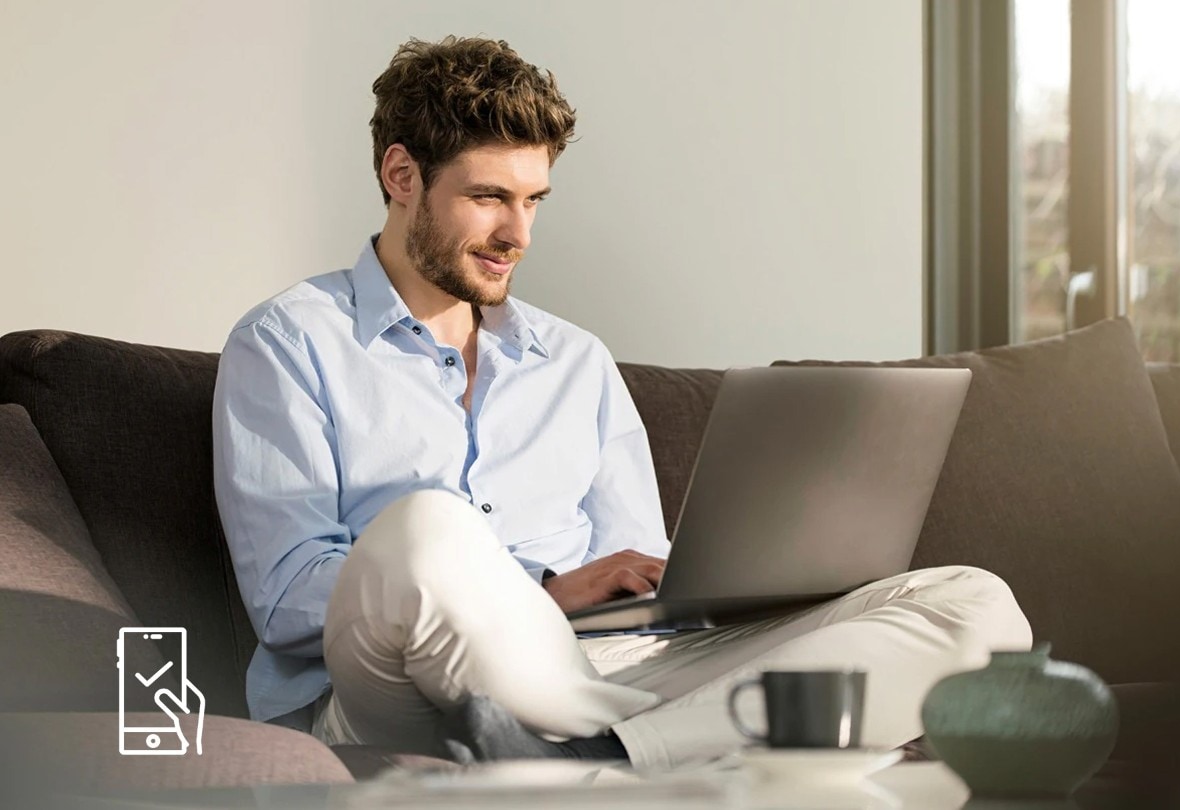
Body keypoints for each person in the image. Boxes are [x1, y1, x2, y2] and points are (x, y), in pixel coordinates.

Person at [212, 35, 1031, 770]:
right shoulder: (289, 342)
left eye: (534, 200)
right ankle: (670, 756)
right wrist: (539, 594)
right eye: (490, 196)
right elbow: (288, 601)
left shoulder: (575, 361)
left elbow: (641, 579)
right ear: (401, 177)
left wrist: (745, 593)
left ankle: (610, 759)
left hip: (596, 681)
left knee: (974, 604)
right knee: (430, 527)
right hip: (392, 691)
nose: (518, 234)